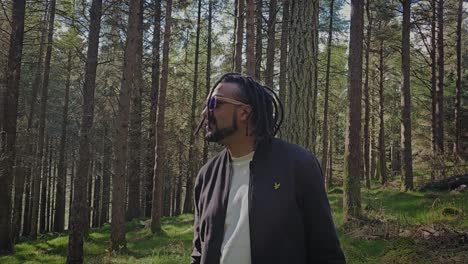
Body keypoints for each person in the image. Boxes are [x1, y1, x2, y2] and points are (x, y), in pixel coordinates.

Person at [191, 73, 346, 264]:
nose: (205, 112)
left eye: (215, 103)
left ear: (244, 113)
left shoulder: (298, 165)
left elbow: (326, 252)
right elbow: (199, 252)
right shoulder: (207, 176)